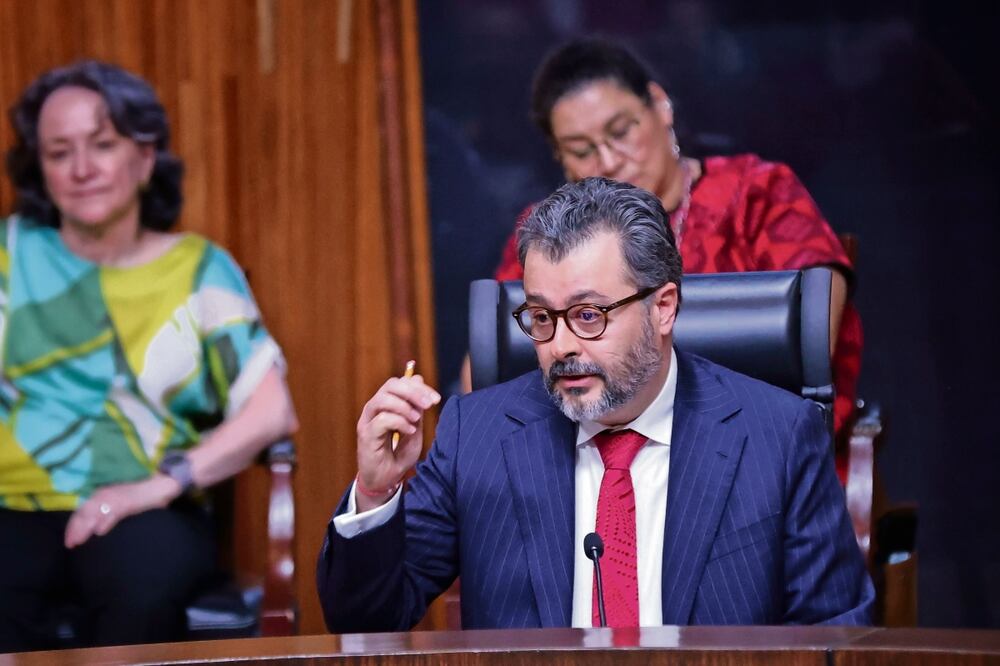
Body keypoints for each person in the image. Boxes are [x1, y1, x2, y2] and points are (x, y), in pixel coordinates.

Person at [317, 177, 872, 631]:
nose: (560, 346)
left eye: (589, 316)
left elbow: (836, 638)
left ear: (663, 308)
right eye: (540, 317)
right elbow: (367, 621)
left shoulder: (777, 434)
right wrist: (374, 491)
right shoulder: (476, 436)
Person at [0, 61, 297, 651]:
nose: (82, 169)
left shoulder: (198, 269)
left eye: (103, 145)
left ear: (144, 155)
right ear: (40, 166)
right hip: (10, 502)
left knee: (141, 584)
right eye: (59, 153)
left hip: (145, 503)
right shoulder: (11, 255)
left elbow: (273, 414)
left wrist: (156, 487)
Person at [487, 39, 862, 452]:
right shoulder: (551, 237)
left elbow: (814, 332)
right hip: (592, 460)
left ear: (660, 105)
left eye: (621, 131)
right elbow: (490, 368)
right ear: (560, 157)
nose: (609, 160)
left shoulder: (756, 194)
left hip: (757, 447)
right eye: (582, 150)